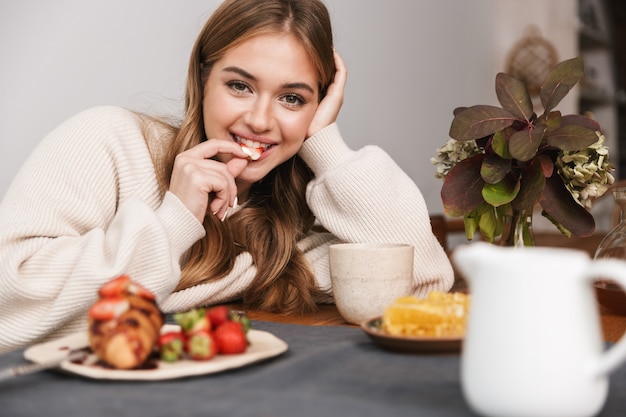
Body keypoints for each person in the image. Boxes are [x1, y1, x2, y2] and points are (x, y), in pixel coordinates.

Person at [0, 0, 453, 353]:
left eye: (292, 98)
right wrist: (173, 221)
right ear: (203, 79)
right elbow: (11, 305)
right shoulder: (111, 141)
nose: (259, 119)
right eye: (240, 85)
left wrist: (325, 142)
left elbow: (424, 280)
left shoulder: (296, 224)